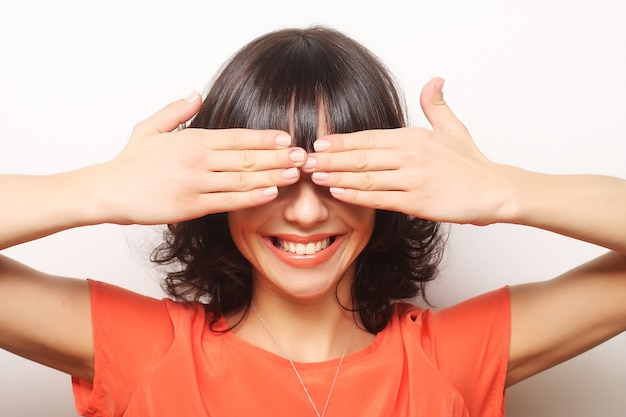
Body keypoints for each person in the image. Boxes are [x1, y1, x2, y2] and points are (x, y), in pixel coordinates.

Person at [1, 26, 625, 417]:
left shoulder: (445, 360)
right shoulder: (145, 351)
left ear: (386, 187)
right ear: (222, 187)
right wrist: (97, 192)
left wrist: (506, 192)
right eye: (273, 178)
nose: (304, 213)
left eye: (335, 178)